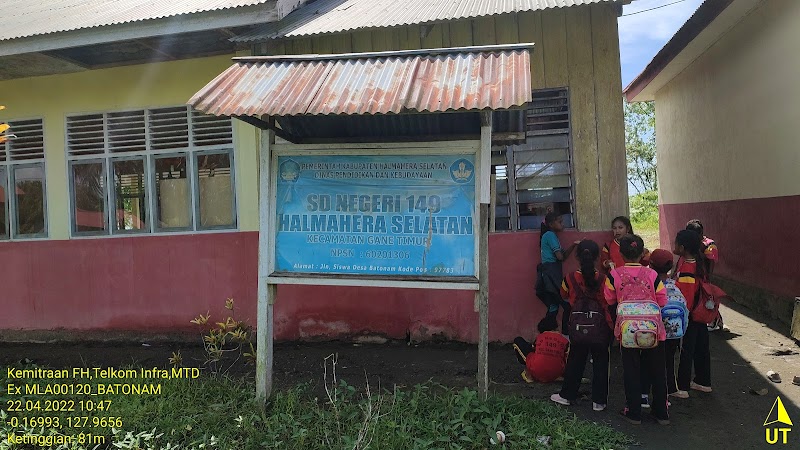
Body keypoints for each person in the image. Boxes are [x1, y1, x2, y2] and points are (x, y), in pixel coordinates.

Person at [604, 234, 670, 425]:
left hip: (627, 330)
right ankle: (661, 413)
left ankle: (633, 412)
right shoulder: (653, 274)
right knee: (658, 370)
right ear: (642, 253)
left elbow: (609, 299)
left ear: (621, 254)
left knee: (631, 369)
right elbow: (662, 300)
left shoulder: (613, 275)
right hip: (654, 328)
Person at [550, 240, 612, 412]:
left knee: (575, 361)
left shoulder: (569, 278)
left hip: (577, 326)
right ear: (597, 257)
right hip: (600, 327)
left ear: (577, 257)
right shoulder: (603, 279)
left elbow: (562, 294)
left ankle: (567, 395)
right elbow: (609, 299)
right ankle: (599, 401)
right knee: (601, 363)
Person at [641, 249, 683, 409]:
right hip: (672, 333)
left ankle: (643, 396)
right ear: (671, 267)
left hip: (652, 331)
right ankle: (664, 396)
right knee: (666, 364)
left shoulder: (649, 285)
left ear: (650, 265)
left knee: (645, 363)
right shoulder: (675, 285)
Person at [673, 230, 711, 399]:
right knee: (702, 348)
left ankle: (682, 386)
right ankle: (703, 381)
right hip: (701, 312)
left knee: (686, 350)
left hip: (690, 314)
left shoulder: (688, 268)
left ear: (682, 247)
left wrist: (682, 316)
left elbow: (686, 296)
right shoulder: (699, 263)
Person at [536, 212, 580, 336]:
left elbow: (562, 257)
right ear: (551, 224)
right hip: (551, 276)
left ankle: (544, 336)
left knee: (553, 307)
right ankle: (565, 335)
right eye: (560, 222)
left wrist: (573, 245)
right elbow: (560, 257)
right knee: (566, 305)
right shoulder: (550, 235)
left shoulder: (550, 235)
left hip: (549, 274)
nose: (563, 224)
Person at [685, 219, 722, 331]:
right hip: (695, 276)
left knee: (707, 300)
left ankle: (714, 320)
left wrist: (708, 277)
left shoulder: (709, 245)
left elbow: (711, 262)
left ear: (701, 234)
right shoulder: (692, 243)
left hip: (704, 276)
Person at [513, 316, 569, 383]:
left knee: (518, 340)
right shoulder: (564, 340)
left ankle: (529, 373)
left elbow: (533, 350)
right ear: (555, 327)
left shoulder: (540, 337)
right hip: (557, 373)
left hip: (537, 371)